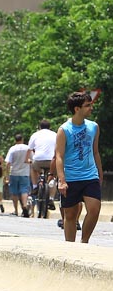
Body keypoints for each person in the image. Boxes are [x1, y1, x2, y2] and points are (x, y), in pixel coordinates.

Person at [55, 91, 103, 243]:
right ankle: (70, 247)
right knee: (70, 215)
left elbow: (95, 152)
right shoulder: (64, 130)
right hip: (71, 177)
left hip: (90, 175)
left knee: (94, 209)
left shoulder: (94, 127)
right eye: (87, 105)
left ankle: (84, 242)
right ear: (77, 109)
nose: (91, 108)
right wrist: (61, 180)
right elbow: (59, 156)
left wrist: (99, 172)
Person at [4, 134, 31, 217]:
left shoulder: (12, 149)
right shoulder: (27, 148)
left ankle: (16, 210)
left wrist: (7, 175)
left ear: (15, 140)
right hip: (25, 173)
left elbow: (8, 162)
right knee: (24, 190)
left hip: (14, 173)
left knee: (14, 192)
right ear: (22, 139)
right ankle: (25, 205)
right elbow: (31, 159)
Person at [27, 119, 56, 192]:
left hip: (38, 161)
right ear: (50, 127)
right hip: (52, 161)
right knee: (53, 177)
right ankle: (51, 198)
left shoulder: (35, 135)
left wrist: (27, 159)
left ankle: (34, 186)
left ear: (40, 127)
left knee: (33, 167)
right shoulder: (55, 134)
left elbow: (29, 149)